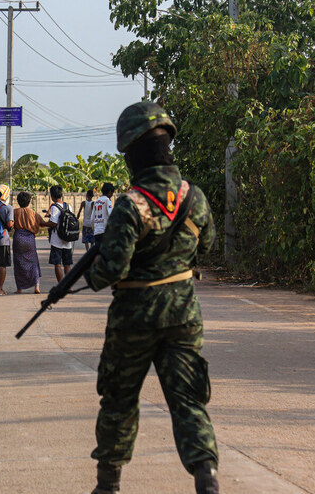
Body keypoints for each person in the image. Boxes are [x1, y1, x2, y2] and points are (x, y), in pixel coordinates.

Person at [84, 102, 219, 494]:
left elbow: (111, 269)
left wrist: (91, 276)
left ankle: (107, 485)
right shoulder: (195, 197)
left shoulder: (131, 204)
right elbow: (206, 246)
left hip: (133, 319)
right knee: (189, 399)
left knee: (119, 401)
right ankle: (206, 476)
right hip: (184, 314)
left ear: (131, 154)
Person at [12, 191, 45, 294]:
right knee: (34, 263)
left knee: (18, 264)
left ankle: (19, 288)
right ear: (29, 201)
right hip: (30, 240)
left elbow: (9, 224)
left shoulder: (14, 212)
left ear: (18, 201)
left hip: (18, 239)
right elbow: (42, 223)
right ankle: (37, 287)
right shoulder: (33, 213)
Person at [43, 185, 74, 282]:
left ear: (52, 196)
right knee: (67, 265)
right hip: (68, 239)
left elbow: (53, 223)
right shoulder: (69, 206)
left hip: (57, 240)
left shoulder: (54, 207)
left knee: (57, 264)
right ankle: (68, 285)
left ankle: (61, 285)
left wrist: (42, 223)